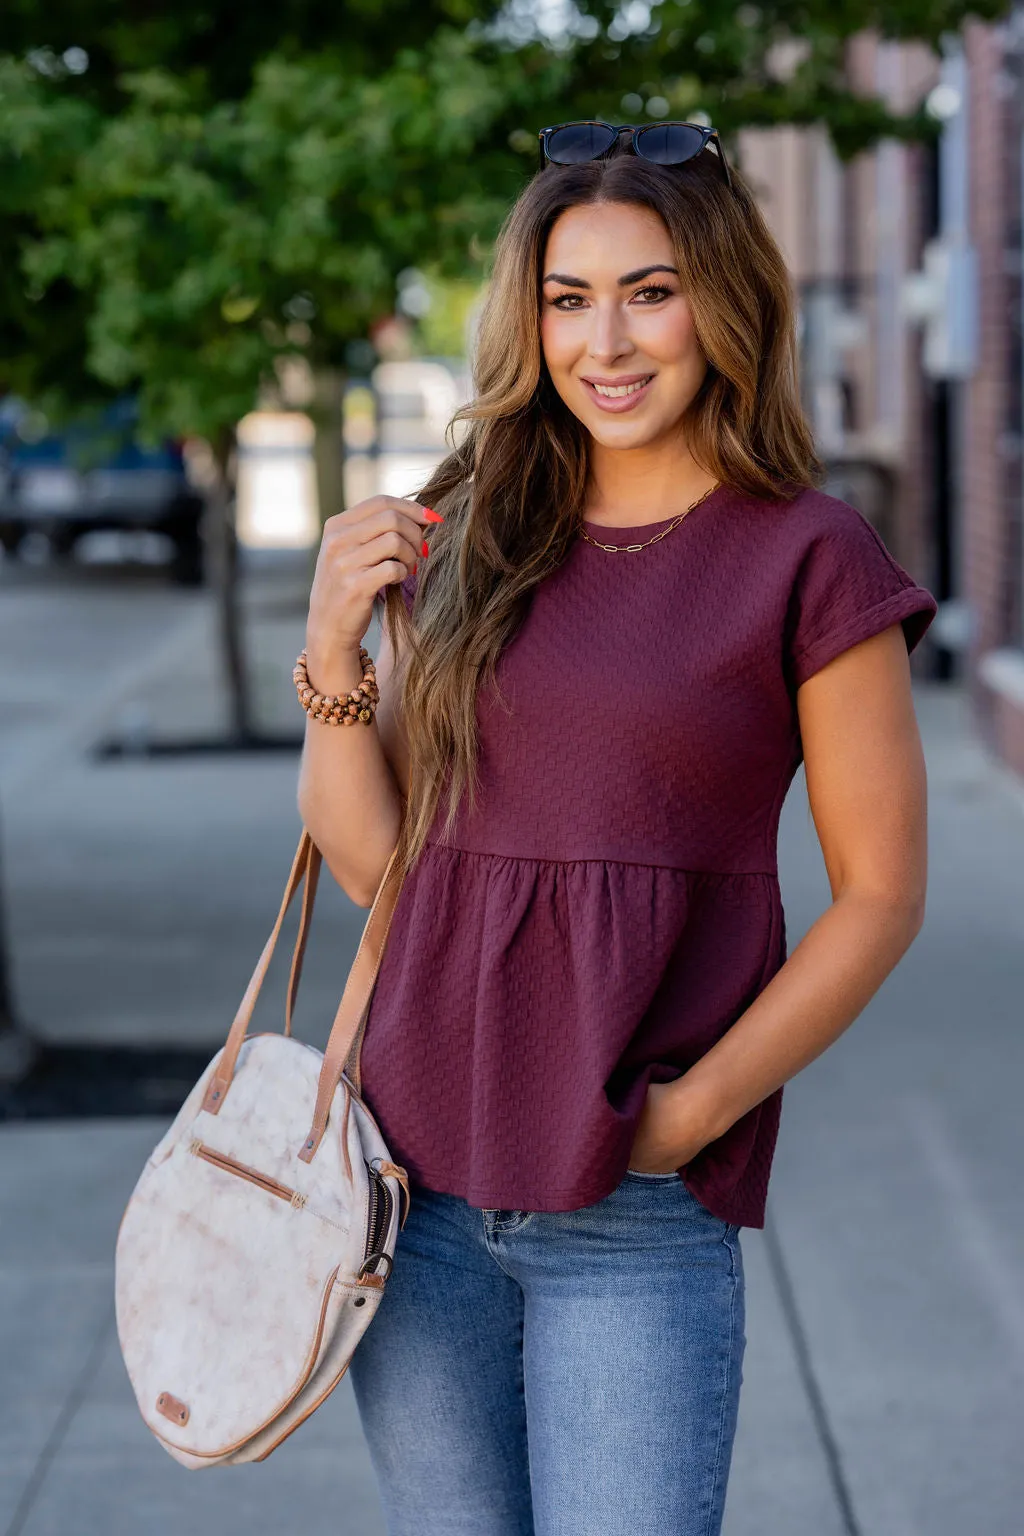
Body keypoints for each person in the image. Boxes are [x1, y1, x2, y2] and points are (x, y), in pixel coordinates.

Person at [296, 121, 938, 1536]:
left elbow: (882, 892)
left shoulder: (807, 556)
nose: (609, 341)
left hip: (632, 1210)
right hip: (413, 1186)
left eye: (651, 290)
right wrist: (335, 651)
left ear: (725, 300)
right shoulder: (471, 537)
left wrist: (693, 1117)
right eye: (566, 297)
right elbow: (372, 869)